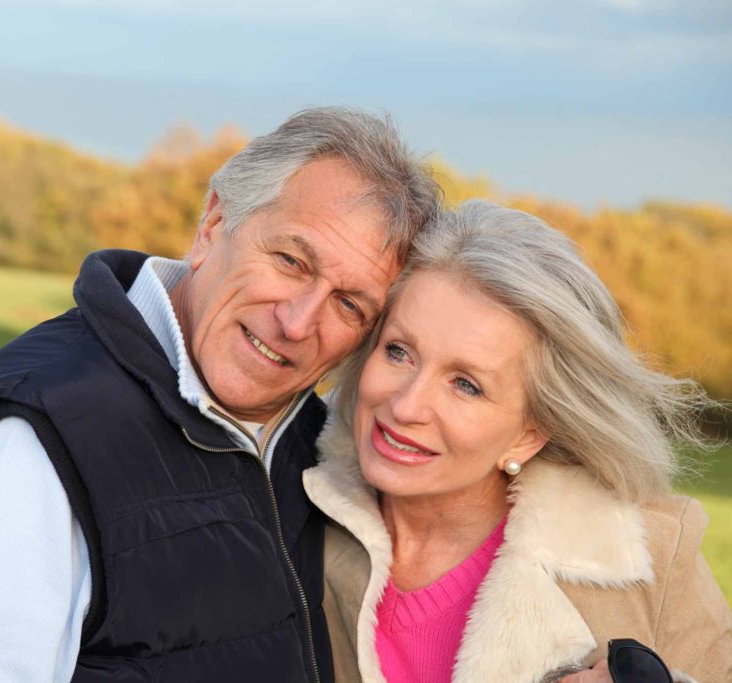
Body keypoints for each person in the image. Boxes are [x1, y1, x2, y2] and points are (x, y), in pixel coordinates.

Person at [0, 107, 441, 682]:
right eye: (290, 261)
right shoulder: (30, 445)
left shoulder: (312, 439)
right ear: (212, 225)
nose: (299, 322)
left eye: (350, 305)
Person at [305, 200, 732, 683]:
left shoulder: (653, 563)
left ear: (529, 434)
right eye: (399, 351)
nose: (406, 406)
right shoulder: (285, 511)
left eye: (466, 384)